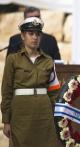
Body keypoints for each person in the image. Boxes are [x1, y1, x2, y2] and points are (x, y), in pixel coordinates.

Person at [1, 17, 60, 147]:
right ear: (22, 36)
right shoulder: (13, 59)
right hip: (20, 112)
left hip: (44, 113)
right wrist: (6, 120)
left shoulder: (48, 60)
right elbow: (6, 91)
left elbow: (54, 91)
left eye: (38, 34)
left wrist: (55, 116)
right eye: (31, 33)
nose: (35, 37)